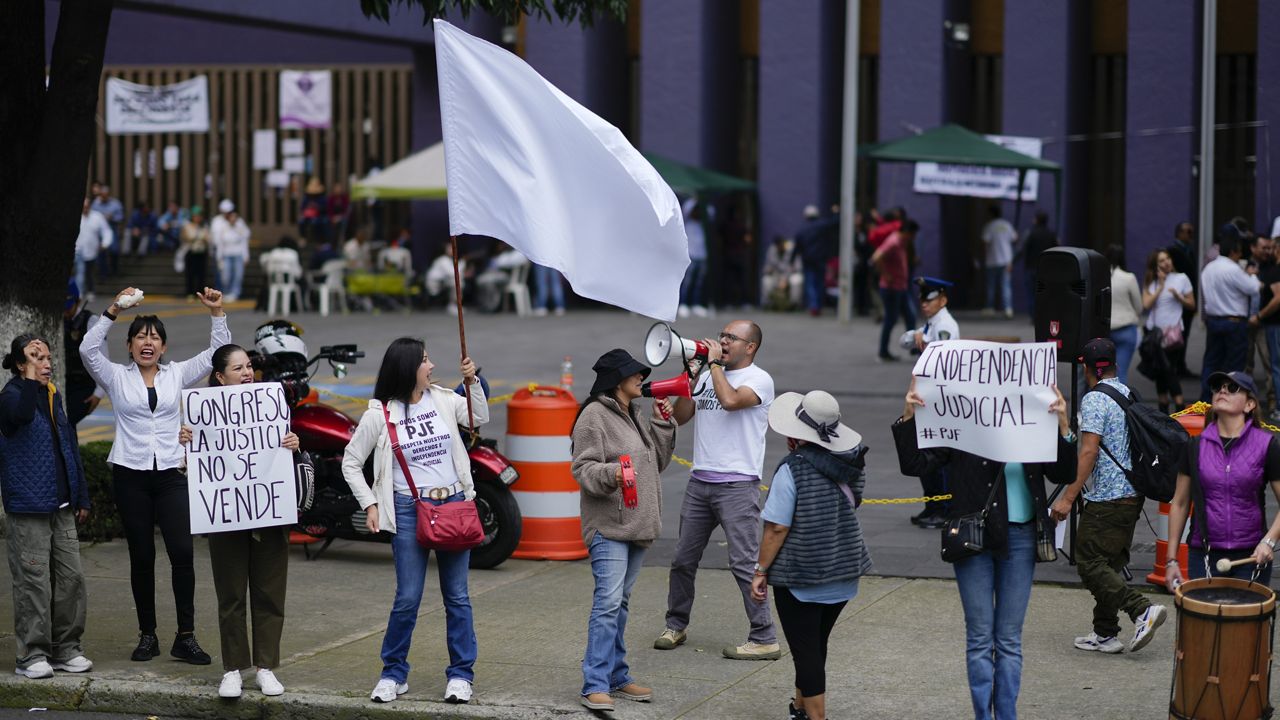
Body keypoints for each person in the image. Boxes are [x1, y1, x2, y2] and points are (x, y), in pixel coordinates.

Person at [895, 376, 1074, 720]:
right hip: (974, 536)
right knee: (979, 638)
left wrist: (1063, 425)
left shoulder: (1033, 420)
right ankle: (983, 716)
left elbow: (1063, 470)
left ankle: (1006, 715)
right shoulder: (963, 421)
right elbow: (915, 465)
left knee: (1008, 639)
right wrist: (909, 416)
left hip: (1021, 537)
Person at [79, 286, 229, 664]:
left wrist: (217, 313)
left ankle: (186, 636)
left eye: (155, 338)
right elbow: (86, 350)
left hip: (171, 475)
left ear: (164, 347)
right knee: (142, 556)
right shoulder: (115, 376)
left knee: (182, 553)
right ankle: (148, 635)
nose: (148, 343)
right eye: (141, 338)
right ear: (129, 346)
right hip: (130, 475)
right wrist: (113, 309)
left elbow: (215, 356)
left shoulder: (176, 374)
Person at [340, 338, 487, 705]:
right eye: (424, 361)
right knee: (407, 598)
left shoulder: (443, 399)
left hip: (452, 505)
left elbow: (476, 417)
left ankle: (461, 675)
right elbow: (351, 462)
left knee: (457, 597)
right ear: (408, 369)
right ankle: (393, 673)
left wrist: (472, 384)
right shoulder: (380, 414)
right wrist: (371, 504)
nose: (432, 366)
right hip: (407, 511)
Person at [178, 345, 300, 699]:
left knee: (270, 593)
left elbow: (281, 454)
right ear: (220, 376)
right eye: (237, 368)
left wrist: (292, 443)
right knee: (230, 595)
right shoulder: (201, 415)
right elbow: (188, 468)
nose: (247, 373)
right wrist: (187, 445)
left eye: (249, 366)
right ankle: (233, 668)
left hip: (269, 513)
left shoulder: (272, 404)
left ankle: (265, 667)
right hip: (227, 515)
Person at [656, 320, 780, 660]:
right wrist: (690, 380)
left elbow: (729, 401)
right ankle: (676, 624)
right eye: (722, 335)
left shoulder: (759, 379)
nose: (722, 341)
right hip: (700, 482)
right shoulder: (710, 376)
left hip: (738, 485)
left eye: (731, 337)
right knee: (683, 559)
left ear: (750, 346)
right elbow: (683, 417)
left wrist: (712, 364)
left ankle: (764, 636)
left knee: (743, 564)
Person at [753, 391, 870, 720]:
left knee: (806, 651)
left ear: (795, 434)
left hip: (801, 576)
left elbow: (777, 528)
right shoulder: (852, 464)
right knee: (814, 646)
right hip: (844, 570)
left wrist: (760, 570)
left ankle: (816, 717)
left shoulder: (793, 468)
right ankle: (800, 708)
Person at [570, 349, 676, 712]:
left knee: (620, 603)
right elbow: (582, 469)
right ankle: (594, 684)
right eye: (634, 374)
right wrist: (611, 474)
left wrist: (664, 424)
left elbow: (656, 463)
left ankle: (616, 675)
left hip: (637, 524)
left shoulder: (634, 412)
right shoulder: (593, 417)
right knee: (608, 603)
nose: (641, 378)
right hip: (609, 527)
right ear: (616, 380)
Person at [1050, 338, 1167, 655]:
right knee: (1109, 565)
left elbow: (1088, 452)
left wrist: (1068, 498)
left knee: (1089, 563)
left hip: (1107, 499)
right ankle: (1105, 634)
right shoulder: (1126, 393)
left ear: (1086, 368)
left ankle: (1141, 610)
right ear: (1115, 363)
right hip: (1132, 494)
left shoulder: (1094, 400)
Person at [1, 333, 93, 679]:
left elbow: (68, 446)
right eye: (35, 356)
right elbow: (21, 418)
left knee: (72, 580)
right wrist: (26, 382)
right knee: (34, 583)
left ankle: (66, 648)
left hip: (62, 505)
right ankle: (31, 655)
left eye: (48, 356)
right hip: (29, 509)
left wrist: (81, 495)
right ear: (21, 365)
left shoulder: (53, 396)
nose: (46, 362)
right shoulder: (11, 397)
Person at [1166, 371, 1280, 591]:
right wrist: (1172, 560)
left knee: (1247, 625)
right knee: (1205, 625)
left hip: (1252, 556)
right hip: (1204, 555)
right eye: (1218, 388)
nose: (1223, 391)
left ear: (1249, 405)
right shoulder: (1195, 446)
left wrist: (1269, 541)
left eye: (1233, 388)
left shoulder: (1267, 446)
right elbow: (1179, 503)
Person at [899, 277, 960, 528]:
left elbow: (943, 358)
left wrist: (924, 340)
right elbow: (904, 340)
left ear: (942, 300)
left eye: (930, 299)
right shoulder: (931, 324)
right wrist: (916, 335)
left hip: (940, 398)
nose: (924, 304)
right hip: (927, 397)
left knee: (938, 456)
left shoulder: (945, 325)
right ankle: (932, 505)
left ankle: (943, 509)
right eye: (922, 299)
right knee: (925, 453)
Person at [1198, 234, 1261, 402]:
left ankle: (1206, 402)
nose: (1240, 255)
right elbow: (1253, 288)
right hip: (1234, 323)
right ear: (1234, 251)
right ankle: (1230, 402)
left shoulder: (1208, 268)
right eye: (1239, 252)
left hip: (1213, 321)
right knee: (1234, 366)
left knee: (1211, 363)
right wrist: (1252, 274)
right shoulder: (1232, 269)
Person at [1141, 249, 1196, 414]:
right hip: (1154, 335)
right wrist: (1161, 286)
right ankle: (1163, 408)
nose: (1167, 262)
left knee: (1169, 369)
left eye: (1168, 259)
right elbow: (1146, 305)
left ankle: (1179, 406)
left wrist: (1178, 297)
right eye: (1162, 261)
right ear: (1155, 266)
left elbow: (1192, 305)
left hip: (1173, 335)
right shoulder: (1151, 282)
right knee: (1160, 371)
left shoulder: (1182, 278)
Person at [871, 220, 918, 362]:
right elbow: (876, 257)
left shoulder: (902, 241)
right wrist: (886, 275)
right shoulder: (894, 242)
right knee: (890, 320)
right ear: (908, 232)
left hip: (901, 287)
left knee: (910, 316)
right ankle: (883, 352)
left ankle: (914, 348)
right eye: (913, 235)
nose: (914, 238)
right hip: (891, 288)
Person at [62, 282, 103, 426]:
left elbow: (103, 358)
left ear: (78, 301)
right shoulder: (60, 320)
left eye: (68, 308)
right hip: (65, 384)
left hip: (85, 386)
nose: (65, 312)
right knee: (63, 425)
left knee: (66, 422)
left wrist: (98, 394)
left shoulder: (91, 321)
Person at [1245, 235, 1277, 414]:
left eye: (1269, 248)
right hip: (1246, 321)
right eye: (1264, 248)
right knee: (1246, 364)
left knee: (1269, 362)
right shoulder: (1243, 266)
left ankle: (1272, 400)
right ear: (1253, 248)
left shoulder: (1271, 268)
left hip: (1264, 322)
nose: (1267, 251)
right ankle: (1246, 402)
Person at [1166, 221, 1199, 377]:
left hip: (1188, 297)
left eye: (1192, 232)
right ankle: (1172, 365)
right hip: (1177, 299)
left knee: (1184, 334)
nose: (1191, 235)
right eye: (1188, 232)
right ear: (1179, 233)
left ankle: (1180, 364)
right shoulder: (1173, 251)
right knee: (1175, 334)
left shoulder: (1189, 250)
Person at [1107, 245, 1143, 385]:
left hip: (1105, 330)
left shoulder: (1099, 276)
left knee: (1103, 373)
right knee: (1120, 373)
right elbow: (1139, 307)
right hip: (1126, 329)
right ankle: (1120, 405)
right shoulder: (1129, 278)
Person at [795, 205, 835, 317]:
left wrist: (792, 260)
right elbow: (834, 222)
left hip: (808, 260)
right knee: (820, 283)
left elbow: (797, 247)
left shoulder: (802, 229)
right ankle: (818, 305)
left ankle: (814, 306)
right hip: (820, 259)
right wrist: (836, 211)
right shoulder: (822, 225)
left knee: (810, 284)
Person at [1018, 210, 1058, 315]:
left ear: (1036, 220)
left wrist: (1015, 262)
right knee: (1045, 293)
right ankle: (1043, 314)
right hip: (1047, 268)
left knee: (1031, 293)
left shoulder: (1031, 233)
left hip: (1031, 267)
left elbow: (1024, 250)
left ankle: (1033, 314)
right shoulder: (1051, 234)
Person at [981, 205, 1017, 318]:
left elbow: (985, 242)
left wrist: (983, 256)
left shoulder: (989, 226)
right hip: (1006, 260)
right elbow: (1015, 238)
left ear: (991, 214)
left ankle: (990, 308)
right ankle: (1008, 309)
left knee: (991, 286)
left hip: (992, 260)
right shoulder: (1007, 225)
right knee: (1005, 285)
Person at [211, 199, 251, 302]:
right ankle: (226, 292)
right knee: (225, 275)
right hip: (226, 253)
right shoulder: (218, 222)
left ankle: (235, 293)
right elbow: (218, 241)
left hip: (238, 253)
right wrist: (219, 257)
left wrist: (246, 255)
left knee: (238, 275)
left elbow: (245, 237)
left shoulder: (239, 222)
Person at [74, 197, 113, 301]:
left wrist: (105, 243)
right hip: (78, 249)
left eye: (86, 206)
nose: (85, 209)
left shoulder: (97, 217)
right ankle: (79, 292)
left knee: (89, 272)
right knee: (80, 271)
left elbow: (106, 231)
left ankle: (90, 290)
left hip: (92, 250)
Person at [679, 197, 710, 318]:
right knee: (687, 282)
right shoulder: (687, 222)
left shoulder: (704, 224)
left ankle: (696, 304)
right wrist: (697, 199)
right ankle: (683, 304)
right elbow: (686, 209)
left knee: (699, 283)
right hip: (690, 256)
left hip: (702, 256)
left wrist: (703, 202)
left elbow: (711, 212)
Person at [1259, 246, 1280, 423]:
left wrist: (1260, 315)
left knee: (1276, 366)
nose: (1270, 251)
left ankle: (1278, 408)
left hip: (1274, 325)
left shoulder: (1274, 272)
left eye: (1273, 248)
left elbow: (1277, 298)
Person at [91, 183, 124, 279]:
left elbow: (121, 216)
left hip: (112, 228)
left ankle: (115, 270)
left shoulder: (115, 204)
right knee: (101, 253)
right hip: (100, 232)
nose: (104, 196)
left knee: (114, 251)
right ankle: (103, 274)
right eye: (102, 195)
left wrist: (112, 217)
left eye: (105, 195)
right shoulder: (95, 205)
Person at [762, 236, 803, 311]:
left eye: (781, 245)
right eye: (778, 246)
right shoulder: (772, 250)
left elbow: (798, 267)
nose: (780, 247)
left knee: (797, 279)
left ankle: (794, 305)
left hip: (789, 275)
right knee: (766, 280)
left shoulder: (792, 248)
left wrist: (785, 279)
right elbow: (767, 266)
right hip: (777, 275)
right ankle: (768, 304)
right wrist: (768, 270)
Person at [178, 206, 211, 299]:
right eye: (195, 216)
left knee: (201, 274)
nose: (197, 218)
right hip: (191, 252)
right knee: (190, 274)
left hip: (201, 252)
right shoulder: (187, 226)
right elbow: (186, 237)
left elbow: (207, 238)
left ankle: (200, 293)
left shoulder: (204, 226)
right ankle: (190, 292)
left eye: (199, 216)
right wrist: (197, 236)